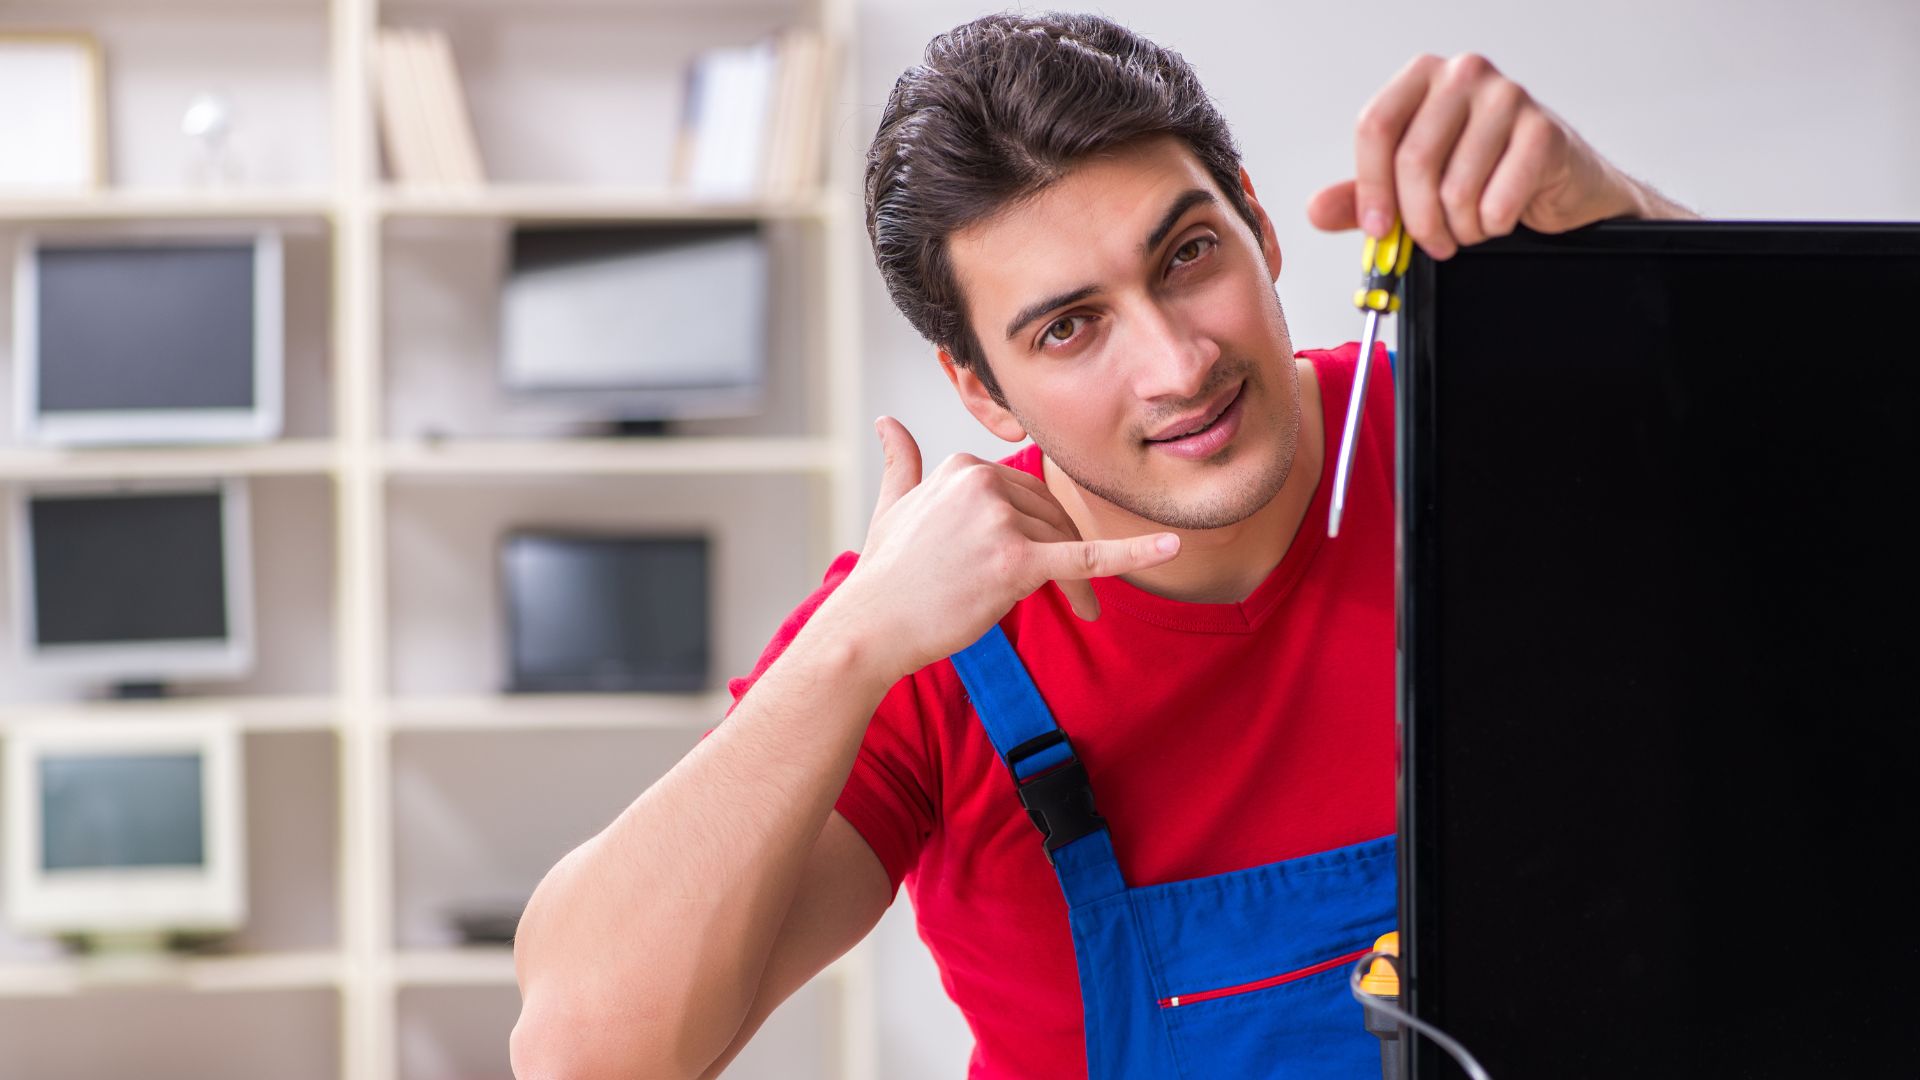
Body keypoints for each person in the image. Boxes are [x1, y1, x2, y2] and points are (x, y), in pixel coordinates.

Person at [508, 12, 1694, 1080]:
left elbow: (1852, 473)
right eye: (1070, 328)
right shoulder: (926, 637)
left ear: (1260, 226)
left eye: (1187, 255)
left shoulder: (1466, 432)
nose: (1179, 366)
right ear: (981, 391)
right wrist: (850, 647)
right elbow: (582, 1053)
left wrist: (1628, 227)